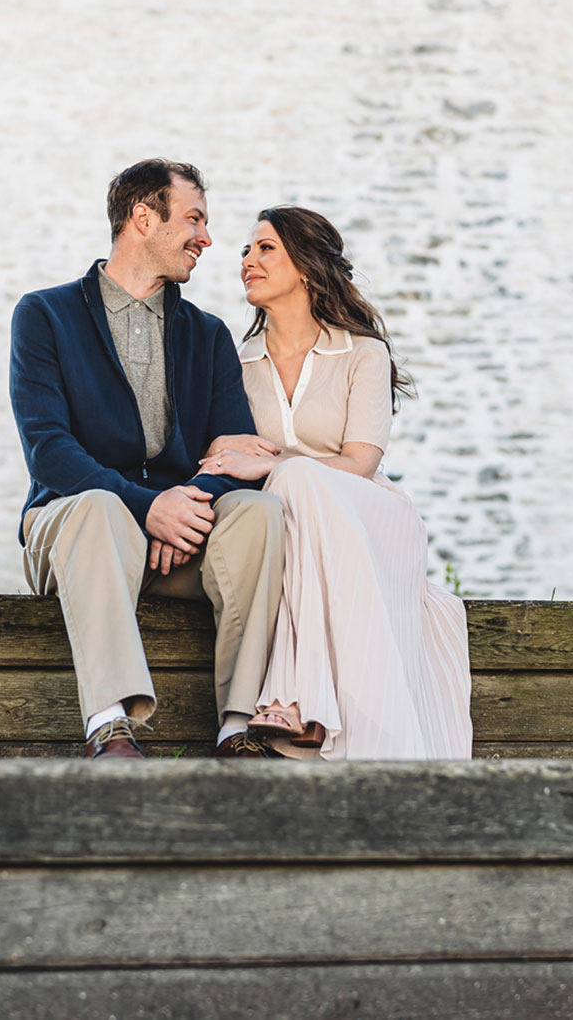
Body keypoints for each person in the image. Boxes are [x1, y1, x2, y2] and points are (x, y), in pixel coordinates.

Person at [10, 159, 286, 760]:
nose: (207, 238)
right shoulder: (44, 316)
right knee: (99, 508)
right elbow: (50, 451)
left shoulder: (208, 334)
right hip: (72, 531)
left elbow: (233, 451)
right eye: (193, 219)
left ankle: (240, 727)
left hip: (176, 544)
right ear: (143, 217)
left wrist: (181, 512)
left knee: (258, 513)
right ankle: (110, 726)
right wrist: (146, 506)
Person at [198, 206, 472, 759]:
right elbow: (218, 451)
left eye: (265, 248)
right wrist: (224, 452)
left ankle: (294, 697)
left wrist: (274, 467)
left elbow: (361, 464)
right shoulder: (236, 362)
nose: (248, 261)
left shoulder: (362, 353)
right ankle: (303, 704)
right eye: (245, 252)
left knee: (295, 476)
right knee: (285, 494)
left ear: (305, 266)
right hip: (286, 523)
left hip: (370, 517)